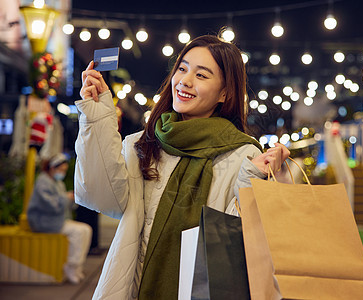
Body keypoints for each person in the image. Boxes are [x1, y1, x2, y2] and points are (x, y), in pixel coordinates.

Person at [75, 35, 289, 299]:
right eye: (182, 68)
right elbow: (101, 196)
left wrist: (253, 177)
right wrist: (96, 116)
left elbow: (241, 246)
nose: (185, 81)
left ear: (226, 92)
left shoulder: (243, 155)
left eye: (202, 75)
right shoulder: (144, 145)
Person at [27, 153, 92, 284]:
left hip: (55, 220)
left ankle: (77, 266)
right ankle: (71, 266)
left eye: (64, 170)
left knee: (86, 229)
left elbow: (61, 204)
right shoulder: (43, 182)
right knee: (78, 232)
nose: (62, 173)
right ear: (52, 168)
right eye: (61, 170)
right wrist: (66, 197)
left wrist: (70, 198)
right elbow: (51, 205)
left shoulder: (56, 182)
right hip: (44, 222)